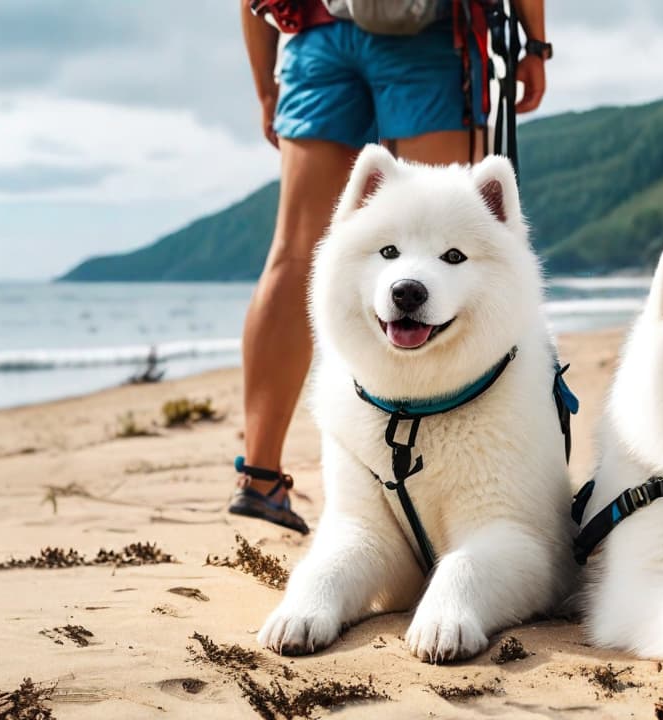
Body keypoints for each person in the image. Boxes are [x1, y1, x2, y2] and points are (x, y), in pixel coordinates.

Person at [230, 0, 551, 533]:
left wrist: (267, 86)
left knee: (292, 253)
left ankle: (260, 476)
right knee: (444, 243)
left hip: (316, 40)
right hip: (430, 37)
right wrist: (534, 45)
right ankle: (442, 489)